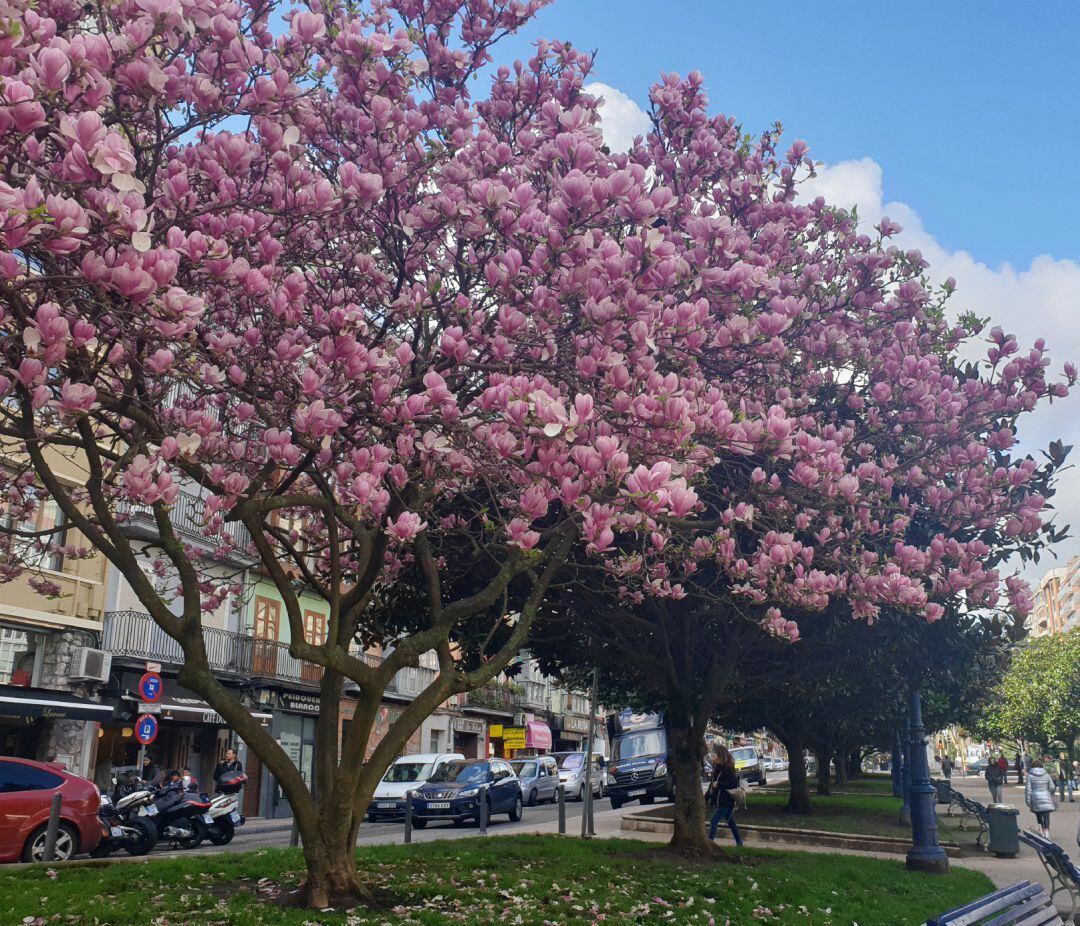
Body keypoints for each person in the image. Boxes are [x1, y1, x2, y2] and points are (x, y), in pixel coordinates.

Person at [705, 744, 743, 847]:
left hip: (727, 801)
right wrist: (705, 798)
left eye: (714, 753)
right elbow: (711, 786)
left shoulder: (728, 768)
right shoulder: (717, 768)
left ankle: (710, 844)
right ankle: (739, 843)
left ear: (720, 755)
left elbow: (733, 783)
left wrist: (719, 784)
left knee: (714, 820)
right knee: (731, 823)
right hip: (720, 800)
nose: (712, 755)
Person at [1025, 757, 1058, 838]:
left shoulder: (1029, 776)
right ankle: (1047, 831)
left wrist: (1028, 801)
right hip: (1046, 796)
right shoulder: (1046, 775)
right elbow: (1052, 787)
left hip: (1035, 798)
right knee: (1046, 815)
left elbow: (1028, 789)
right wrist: (1049, 793)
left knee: (1038, 815)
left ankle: (1042, 829)